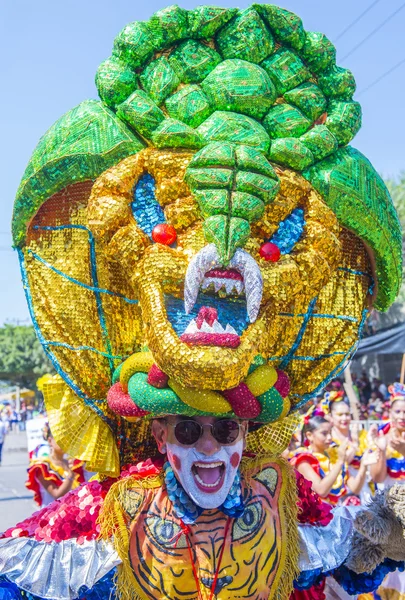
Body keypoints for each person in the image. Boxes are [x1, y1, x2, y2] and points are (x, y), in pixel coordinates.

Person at [0, 2, 404, 599]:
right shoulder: (116, 506)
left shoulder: (281, 501)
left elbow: (357, 552)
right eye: (189, 431)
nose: (211, 447)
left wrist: (392, 518)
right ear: (161, 436)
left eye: (224, 429)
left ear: (246, 434)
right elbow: (25, 572)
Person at [290, 414, 375, 505]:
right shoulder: (303, 460)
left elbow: (355, 488)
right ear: (310, 435)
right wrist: (340, 462)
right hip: (315, 516)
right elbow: (321, 490)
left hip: (335, 512)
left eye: (330, 433)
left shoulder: (334, 455)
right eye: (324, 433)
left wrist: (363, 465)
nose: (330, 437)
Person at [26, 424, 85, 507]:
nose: (65, 443)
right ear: (50, 440)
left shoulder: (70, 462)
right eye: (60, 439)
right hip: (52, 515)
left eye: (67, 439)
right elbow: (56, 494)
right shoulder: (42, 466)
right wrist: (71, 474)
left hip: (72, 512)